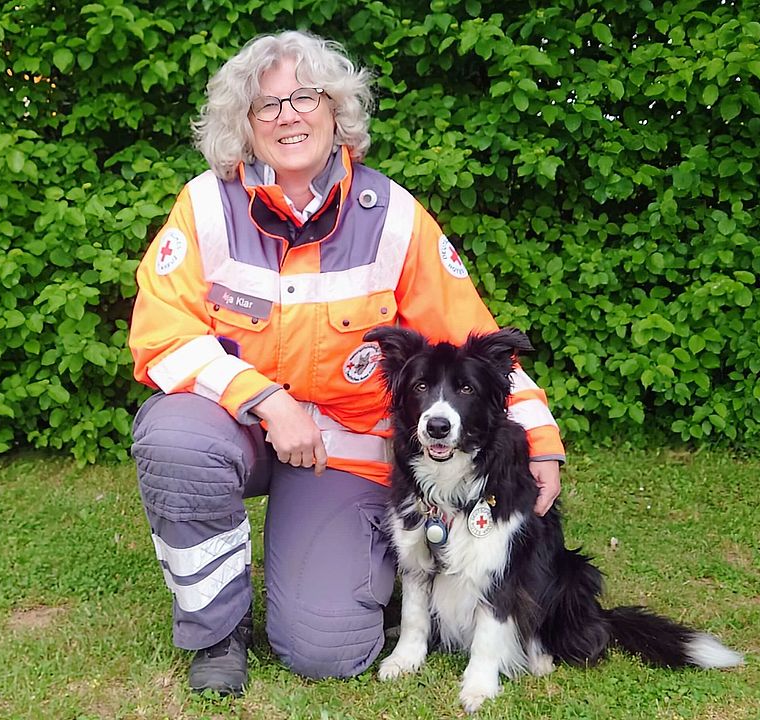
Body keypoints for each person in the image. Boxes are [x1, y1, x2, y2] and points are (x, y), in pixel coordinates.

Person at [128, 30, 565, 697]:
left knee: (328, 650)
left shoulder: (391, 216)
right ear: (243, 124)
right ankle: (217, 630)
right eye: (266, 105)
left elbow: (474, 338)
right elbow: (161, 332)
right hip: (236, 429)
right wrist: (267, 402)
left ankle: (346, 578)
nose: (288, 115)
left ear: (337, 112)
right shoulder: (206, 205)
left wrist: (541, 440)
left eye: (305, 97)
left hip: (343, 457)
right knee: (174, 437)